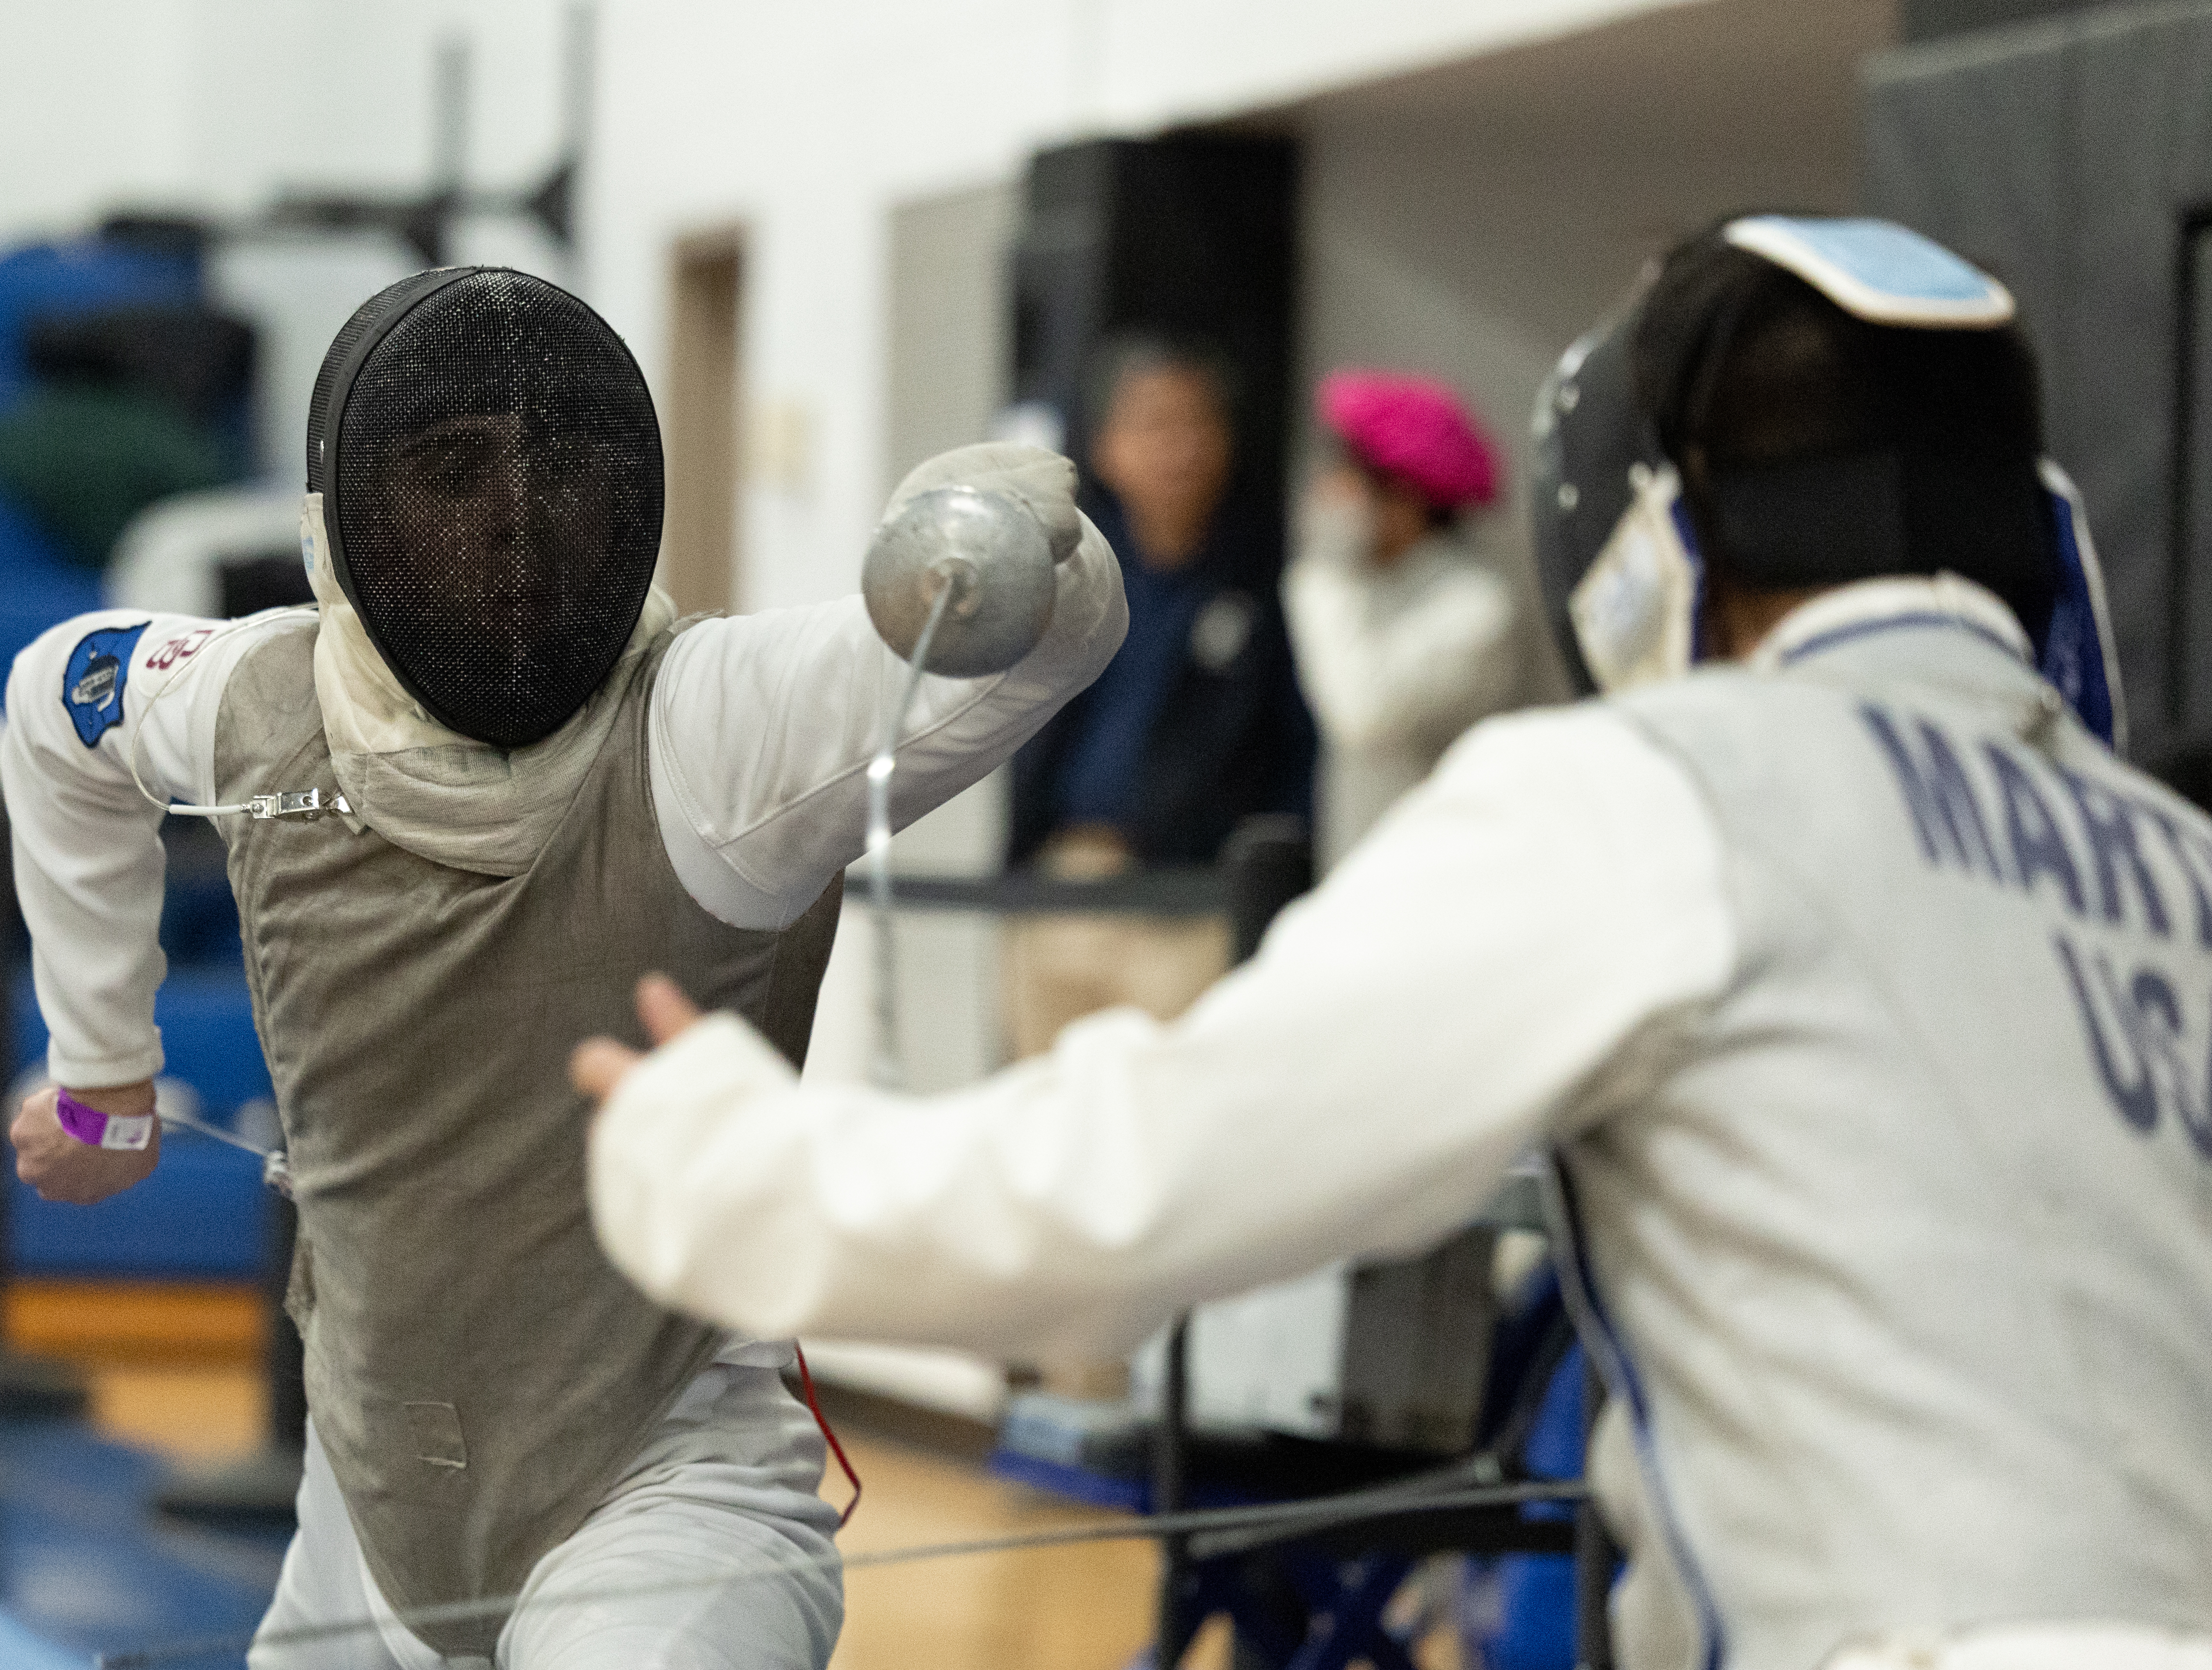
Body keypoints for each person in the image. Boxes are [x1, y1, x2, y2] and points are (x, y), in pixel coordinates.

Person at [575, 219, 2212, 1670]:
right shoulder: (2177, 858)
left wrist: (735, 1171)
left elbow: (1161, 1171)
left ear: (1643, 538)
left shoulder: (1666, 790)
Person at [0, 267, 1126, 1670]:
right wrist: (103, 1067)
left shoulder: (714, 726)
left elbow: (1052, 636)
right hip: (369, 1515)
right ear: (339, 517)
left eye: (561, 467)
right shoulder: (254, 702)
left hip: (664, 1499)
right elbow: (57, 703)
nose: (517, 517)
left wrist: (1015, 544)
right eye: (451, 470)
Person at [1001, 336, 1316, 1056]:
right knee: (1040, 1091)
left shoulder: (1262, 582)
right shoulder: (1066, 573)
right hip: (1066, 876)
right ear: (1107, 447)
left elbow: (1296, 749)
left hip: (1188, 895)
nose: (1180, 448)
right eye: (1155, 425)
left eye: (1198, 424)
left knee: (1172, 1096)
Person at [1283, 371, 1518, 860]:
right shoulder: (1365, 584)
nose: (1325, 498)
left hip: (1447, 870)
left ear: (1404, 499)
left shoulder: (1477, 607)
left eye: (1347, 482)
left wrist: (1327, 570)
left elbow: (1360, 710)